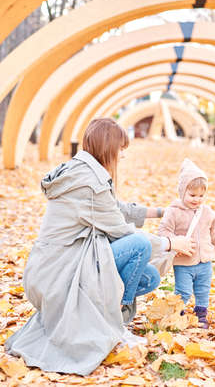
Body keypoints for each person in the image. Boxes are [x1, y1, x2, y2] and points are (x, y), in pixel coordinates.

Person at [5, 118, 195, 375]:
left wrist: (165, 211)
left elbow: (116, 208)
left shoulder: (83, 172)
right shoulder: (88, 184)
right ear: (108, 149)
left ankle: (106, 316)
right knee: (139, 244)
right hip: (59, 273)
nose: (123, 156)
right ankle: (116, 324)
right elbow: (122, 230)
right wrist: (172, 243)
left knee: (148, 277)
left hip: (72, 260)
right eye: (121, 149)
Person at [158, 158, 215, 329]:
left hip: (204, 261)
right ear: (182, 192)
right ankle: (179, 313)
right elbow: (164, 230)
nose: (197, 200)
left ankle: (201, 314)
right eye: (192, 195)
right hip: (184, 262)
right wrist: (173, 243)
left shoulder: (207, 213)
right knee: (183, 291)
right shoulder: (174, 212)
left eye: (201, 196)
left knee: (203, 290)